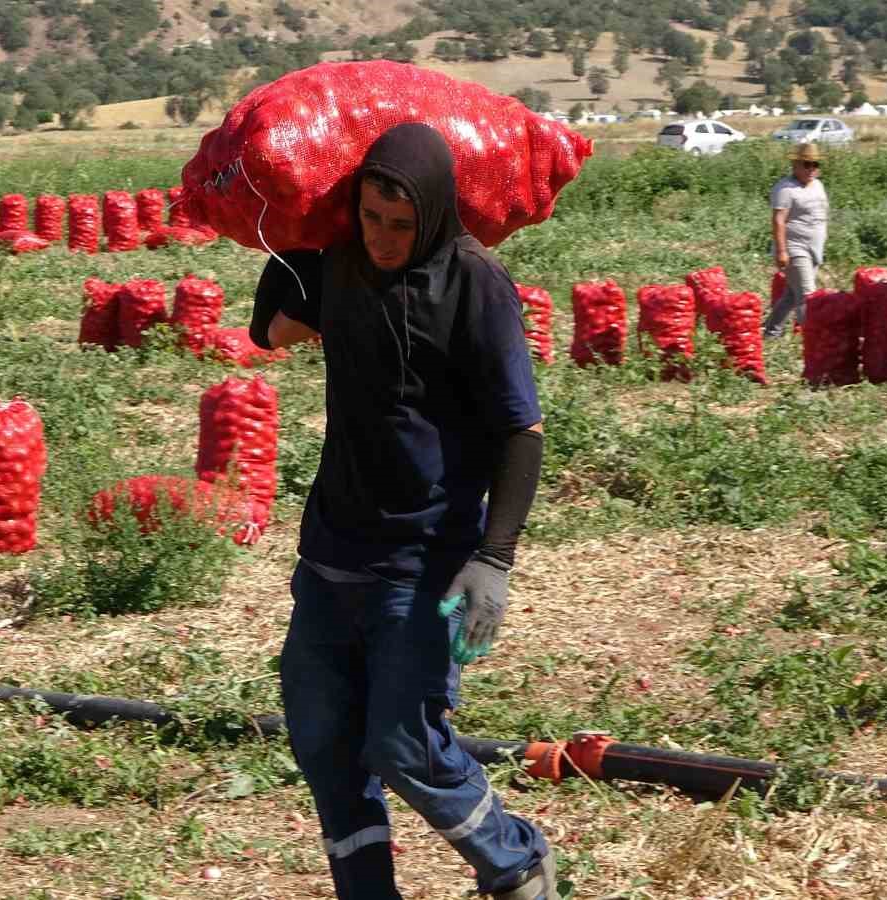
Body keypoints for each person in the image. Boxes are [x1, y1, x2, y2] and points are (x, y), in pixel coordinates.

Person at [249, 122, 556, 900]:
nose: (383, 239)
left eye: (400, 224)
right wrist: (295, 242)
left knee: (404, 743)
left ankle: (517, 861)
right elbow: (269, 331)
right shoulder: (342, 265)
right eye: (369, 218)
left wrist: (495, 558)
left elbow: (521, 430)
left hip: (423, 559)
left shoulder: (475, 281)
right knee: (323, 741)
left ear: (434, 213)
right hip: (329, 553)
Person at [763, 142, 829, 338]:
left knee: (791, 295)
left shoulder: (818, 185)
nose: (811, 169)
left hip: (814, 248)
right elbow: (778, 220)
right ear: (795, 165)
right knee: (806, 295)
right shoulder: (785, 189)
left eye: (815, 164)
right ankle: (814, 339)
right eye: (806, 164)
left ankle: (771, 332)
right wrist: (782, 251)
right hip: (795, 248)